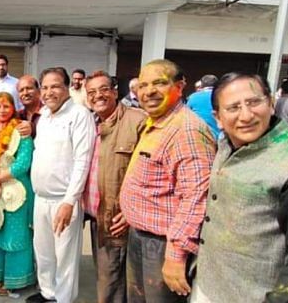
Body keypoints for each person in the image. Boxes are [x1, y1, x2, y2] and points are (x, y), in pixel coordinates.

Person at [191, 73, 288, 303]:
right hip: (209, 285)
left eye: (254, 102)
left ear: (270, 103)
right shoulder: (226, 143)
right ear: (218, 117)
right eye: (234, 107)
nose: (246, 115)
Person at [119, 59, 216, 303]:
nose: (149, 91)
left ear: (180, 86)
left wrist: (176, 255)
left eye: (159, 83)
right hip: (141, 237)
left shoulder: (187, 130)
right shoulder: (156, 123)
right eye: (143, 85)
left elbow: (196, 197)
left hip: (163, 246)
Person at [27, 67, 96, 303]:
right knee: (44, 253)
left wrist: (69, 201)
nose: (48, 92)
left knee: (65, 256)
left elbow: (82, 160)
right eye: (44, 87)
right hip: (41, 198)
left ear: (67, 88)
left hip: (63, 200)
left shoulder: (79, 115)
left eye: (55, 86)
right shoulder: (44, 115)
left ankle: (64, 298)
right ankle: (47, 292)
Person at [83, 71, 145, 303]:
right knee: (106, 275)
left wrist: (131, 211)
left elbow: (146, 173)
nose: (97, 96)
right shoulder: (91, 122)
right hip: (97, 214)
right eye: (91, 92)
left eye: (103, 89)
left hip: (118, 217)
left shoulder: (136, 121)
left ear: (115, 91)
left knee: (112, 282)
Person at [0, 92, 36, 297]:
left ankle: (15, 280)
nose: (2, 110)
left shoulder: (21, 130)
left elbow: (23, 163)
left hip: (16, 191)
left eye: (6, 106)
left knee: (15, 235)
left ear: (13, 108)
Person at [187, 74, 220, 139]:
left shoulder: (193, 97)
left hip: (201, 135)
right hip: (221, 135)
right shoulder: (222, 96)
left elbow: (186, 115)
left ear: (202, 85)